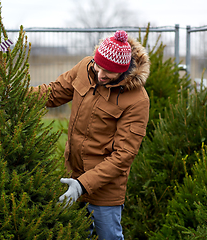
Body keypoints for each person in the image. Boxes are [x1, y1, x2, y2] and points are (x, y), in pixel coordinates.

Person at [34, 30, 150, 239]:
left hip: (105, 190)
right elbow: (53, 92)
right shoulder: (85, 68)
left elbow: (123, 156)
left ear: (123, 71)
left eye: (109, 72)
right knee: (75, 234)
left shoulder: (137, 99)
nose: (100, 74)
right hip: (72, 177)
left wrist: (82, 185)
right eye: (99, 66)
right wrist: (13, 94)